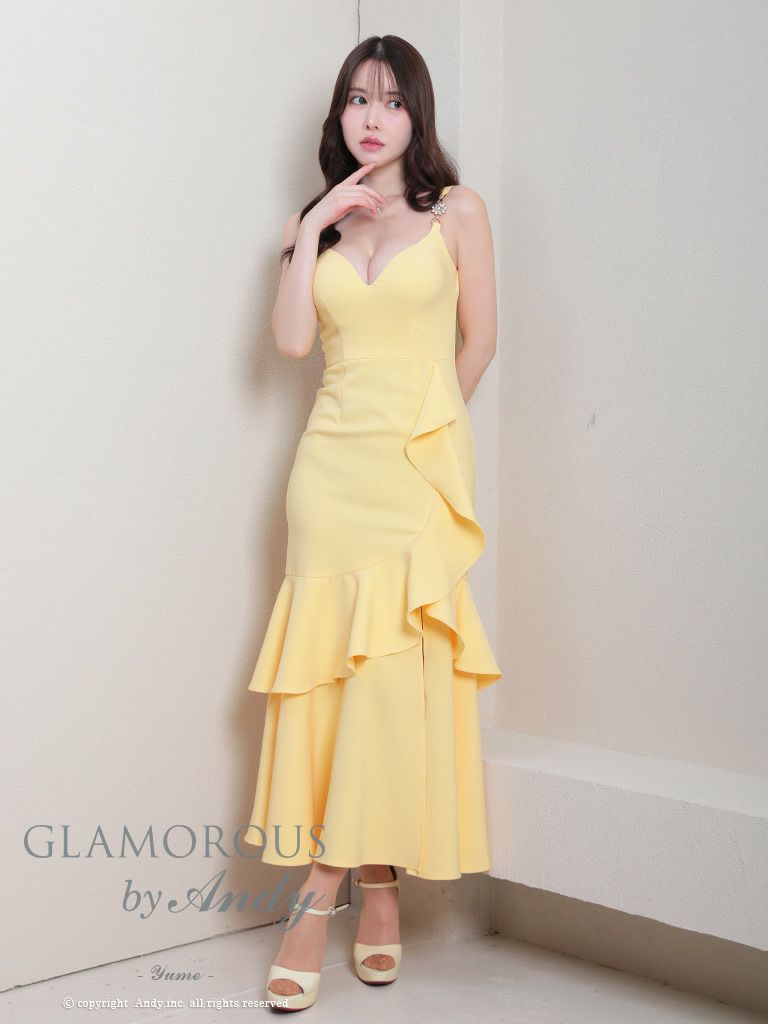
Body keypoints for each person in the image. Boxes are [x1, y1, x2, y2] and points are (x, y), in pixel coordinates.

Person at [243, 34, 502, 1012]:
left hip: (411, 475)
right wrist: (313, 224)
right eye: (358, 98)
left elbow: (481, 338)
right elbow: (291, 341)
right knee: (332, 685)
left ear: (417, 114)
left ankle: (326, 896)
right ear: (340, 114)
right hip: (327, 477)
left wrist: (432, 442)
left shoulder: (458, 212)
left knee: (390, 682)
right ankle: (371, 885)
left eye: (392, 100)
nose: (373, 116)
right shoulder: (312, 226)